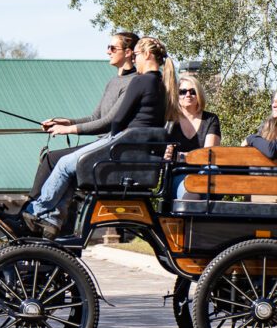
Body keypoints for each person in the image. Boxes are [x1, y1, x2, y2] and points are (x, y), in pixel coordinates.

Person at [19, 36, 179, 239]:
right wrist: (68, 123)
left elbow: (117, 120)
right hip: (132, 147)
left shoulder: (141, 80)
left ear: (146, 54)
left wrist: (95, 136)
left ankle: (38, 213)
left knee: (64, 164)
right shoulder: (159, 83)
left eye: (137, 55)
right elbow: (105, 118)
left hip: (123, 146)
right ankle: (52, 220)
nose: (137, 60)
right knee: (69, 165)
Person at [29, 32, 139, 200]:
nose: (107, 51)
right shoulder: (113, 82)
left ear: (128, 52)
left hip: (113, 148)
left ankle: (33, 211)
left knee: (51, 159)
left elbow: (108, 123)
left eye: (112, 48)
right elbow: (95, 117)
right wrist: (66, 122)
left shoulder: (133, 82)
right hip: (103, 144)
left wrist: (68, 130)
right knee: (51, 158)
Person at [167, 74, 221, 199]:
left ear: (199, 94)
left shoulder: (210, 119)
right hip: (179, 173)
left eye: (192, 91)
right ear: (177, 95)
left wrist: (179, 156)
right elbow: (165, 154)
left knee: (210, 170)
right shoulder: (170, 121)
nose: (188, 95)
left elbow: (208, 155)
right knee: (191, 189)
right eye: (183, 92)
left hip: (205, 173)